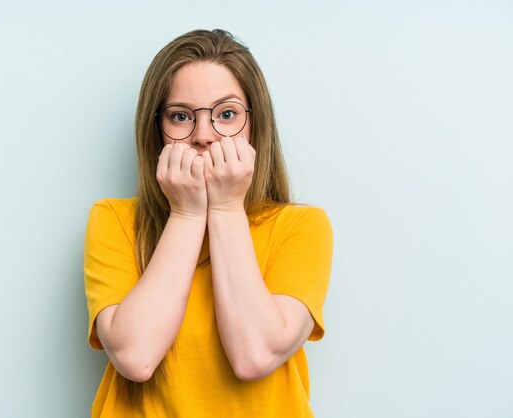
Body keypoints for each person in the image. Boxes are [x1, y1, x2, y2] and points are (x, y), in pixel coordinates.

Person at [84, 29, 333, 418]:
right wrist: (186, 213)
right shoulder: (113, 220)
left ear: (255, 124)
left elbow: (255, 356)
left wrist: (226, 207)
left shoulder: (302, 226)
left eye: (227, 114)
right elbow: (135, 358)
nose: (203, 136)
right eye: (181, 116)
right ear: (156, 129)